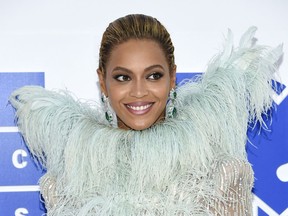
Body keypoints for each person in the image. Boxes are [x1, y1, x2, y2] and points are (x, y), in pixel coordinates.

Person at [10, 14, 283, 215]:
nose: (139, 92)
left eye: (153, 75)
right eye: (123, 77)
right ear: (102, 81)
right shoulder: (66, 182)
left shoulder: (220, 174)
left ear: (172, 77)